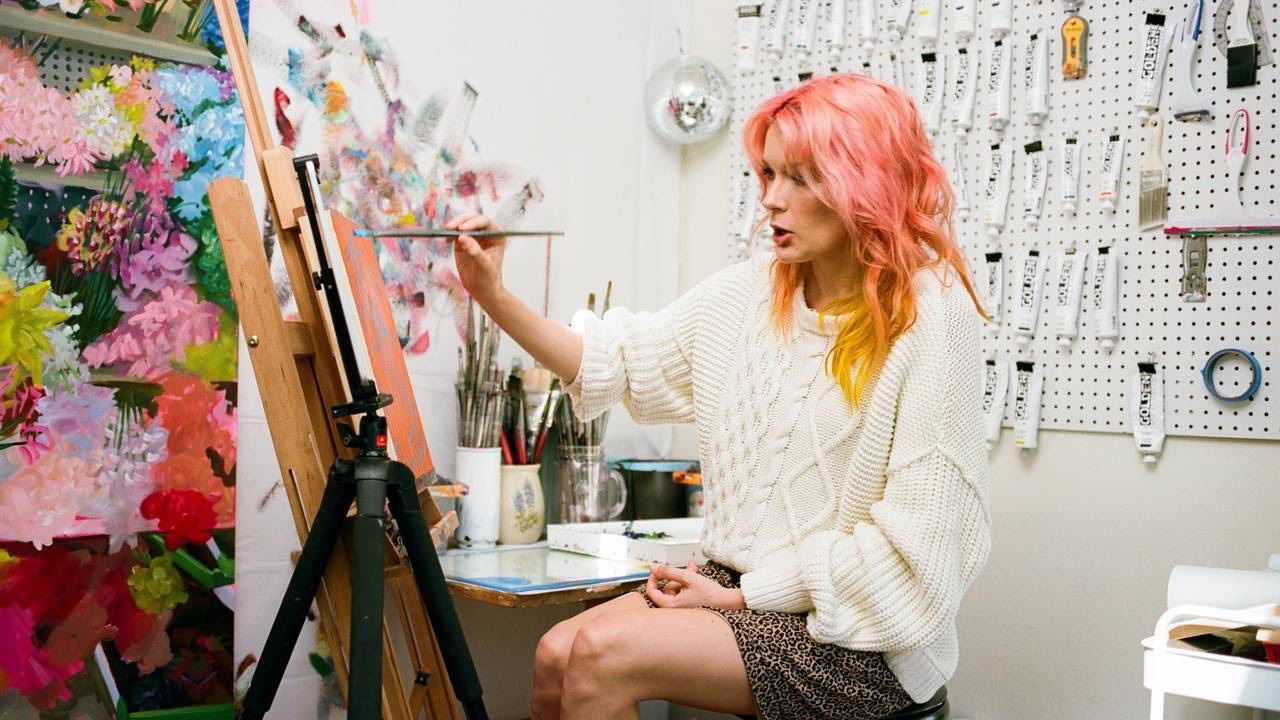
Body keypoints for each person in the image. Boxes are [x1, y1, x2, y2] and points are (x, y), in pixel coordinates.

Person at [447, 73, 991, 720]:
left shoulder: (933, 315)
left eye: (801, 178)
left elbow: (915, 555)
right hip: (732, 585)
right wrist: (492, 296)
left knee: (601, 653)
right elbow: (615, 362)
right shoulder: (752, 291)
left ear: (864, 184)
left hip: (858, 633)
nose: (771, 200)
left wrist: (746, 596)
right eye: (769, 174)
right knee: (556, 653)